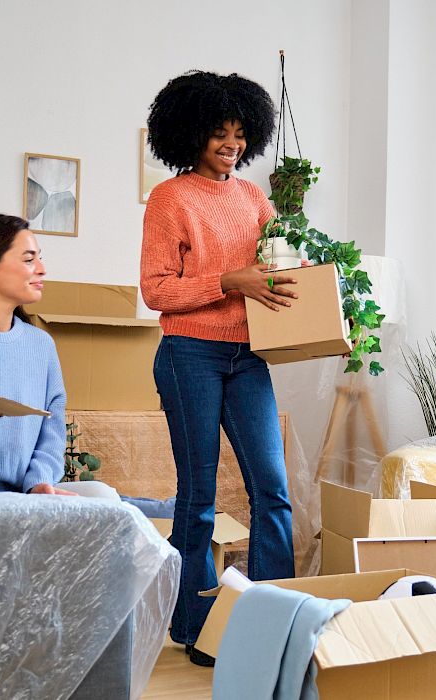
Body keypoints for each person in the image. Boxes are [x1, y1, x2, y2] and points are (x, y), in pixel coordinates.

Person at [140, 70, 296, 666]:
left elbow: (276, 267)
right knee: (199, 497)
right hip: (190, 355)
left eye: (238, 132)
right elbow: (157, 290)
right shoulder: (170, 198)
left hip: (248, 355)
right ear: (192, 135)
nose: (230, 143)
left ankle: (275, 617)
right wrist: (229, 281)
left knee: (273, 490)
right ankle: (198, 627)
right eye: (218, 133)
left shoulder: (254, 198)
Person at [0, 214, 117, 499]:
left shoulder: (41, 345)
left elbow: (51, 433)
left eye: (39, 259)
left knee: (102, 496)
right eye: (29, 259)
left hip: (20, 494)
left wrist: (39, 483)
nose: (41, 269)